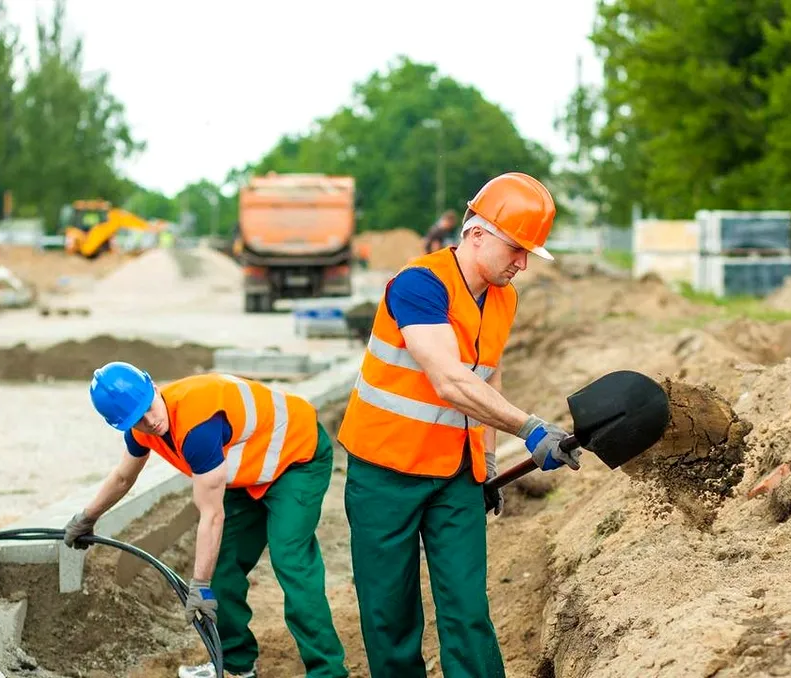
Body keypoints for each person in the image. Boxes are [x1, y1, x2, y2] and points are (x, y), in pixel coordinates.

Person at [337, 172, 582, 678]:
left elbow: (485, 376)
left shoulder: (502, 296)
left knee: (468, 611)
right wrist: (531, 429)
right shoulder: (418, 286)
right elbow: (450, 380)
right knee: (390, 616)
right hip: (386, 472)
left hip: (455, 474)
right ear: (476, 235)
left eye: (530, 252)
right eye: (516, 248)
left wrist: (487, 462)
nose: (523, 263)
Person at [64, 363, 348, 678]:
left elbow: (212, 514)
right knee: (223, 564)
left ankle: (328, 672)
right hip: (247, 472)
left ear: (155, 388)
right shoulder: (141, 429)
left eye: (148, 409)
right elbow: (122, 478)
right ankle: (237, 664)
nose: (150, 422)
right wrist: (86, 517)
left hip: (297, 457)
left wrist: (199, 586)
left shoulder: (197, 425)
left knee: (291, 560)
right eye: (137, 421)